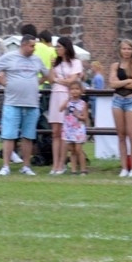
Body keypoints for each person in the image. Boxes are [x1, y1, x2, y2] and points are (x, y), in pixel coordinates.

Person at [0, 34, 53, 176]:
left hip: (32, 104)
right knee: (9, 135)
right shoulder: (9, 57)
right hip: (12, 102)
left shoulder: (36, 60)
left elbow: (47, 75)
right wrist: (3, 82)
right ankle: (5, 166)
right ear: (23, 45)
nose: (34, 49)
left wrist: (36, 83)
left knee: (28, 136)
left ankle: (26, 166)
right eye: (31, 46)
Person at [48, 37, 83, 175]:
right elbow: (51, 79)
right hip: (55, 94)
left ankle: (62, 163)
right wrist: (52, 68)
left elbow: (72, 81)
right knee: (55, 131)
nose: (57, 49)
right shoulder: (56, 63)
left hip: (66, 96)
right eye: (56, 47)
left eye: (59, 47)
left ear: (66, 48)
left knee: (64, 131)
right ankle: (55, 164)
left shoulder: (75, 62)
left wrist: (59, 80)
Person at [109, 39, 132, 177]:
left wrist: (120, 83)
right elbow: (112, 83)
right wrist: (128, 80)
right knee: (121, 135)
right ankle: (124, 167)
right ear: (120, 50)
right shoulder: (115, 66)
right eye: (124, 49)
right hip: (117, 101)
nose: (126, 51)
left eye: (129, 49)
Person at [60, 80, 89, 175]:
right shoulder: (68, 102)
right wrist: (67, 100)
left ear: (81, 90)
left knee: (78, 149)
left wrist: (78, 116)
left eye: (77, 89)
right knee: (72, 150)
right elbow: (60, 109)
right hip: (68, 129)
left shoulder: (82, 103)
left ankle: (83, 169)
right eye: (72, 89)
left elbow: (85, 117)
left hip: (78, 129)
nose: (74, 91)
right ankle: (73, 170)